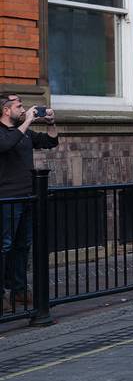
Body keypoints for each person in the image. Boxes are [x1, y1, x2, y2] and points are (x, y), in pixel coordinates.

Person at [0, 94, 58, 308]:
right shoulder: (7, 132)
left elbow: (50, 141)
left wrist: (51, 123)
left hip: (27, 197)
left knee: (22, 247)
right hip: (6, 199)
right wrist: (27, 121)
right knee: (4, 247)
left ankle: (19, 291)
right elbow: (5, 145)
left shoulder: (24, 133)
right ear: (6, 110)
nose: (23, 109)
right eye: (18, 106)